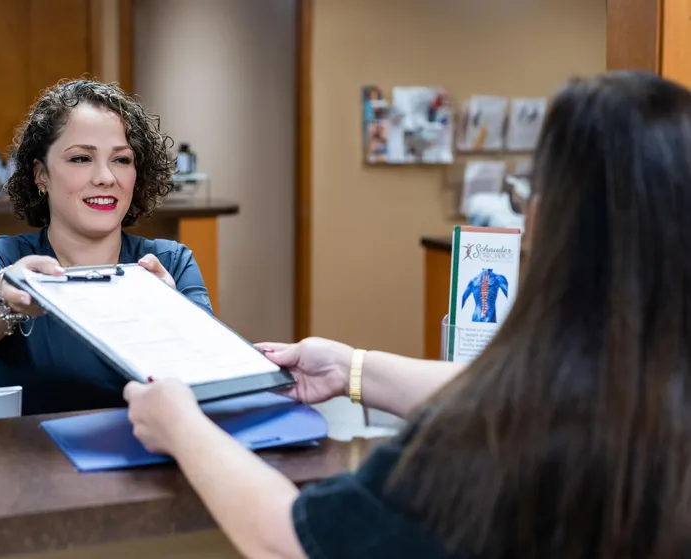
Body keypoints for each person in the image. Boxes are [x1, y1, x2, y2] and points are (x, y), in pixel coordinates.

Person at [123, 70, 691, 558]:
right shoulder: (645, 399)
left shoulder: (493, 454)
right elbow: (521, 396)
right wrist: (353, 370)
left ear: (543, 222)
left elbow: (293, 541)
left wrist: (181, 427)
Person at [0, 79, 213, 415]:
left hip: (146, 460)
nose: (105, 177)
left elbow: (208, 375)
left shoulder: (170, 263)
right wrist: (7, 292)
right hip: (28, 462)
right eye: (80, 159)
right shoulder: (4, 258)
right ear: (40, 174)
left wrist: (166, 315)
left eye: (121, 160)